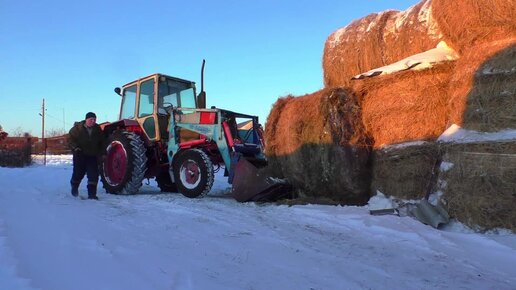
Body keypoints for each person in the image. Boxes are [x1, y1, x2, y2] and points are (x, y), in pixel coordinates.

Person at [68, 112, 104, 199]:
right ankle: (74, 186)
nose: (93, 121)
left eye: (94, 119)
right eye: (91, 119)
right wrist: (76, 148)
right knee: (78, 173)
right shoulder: (77, 129)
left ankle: (92, 195)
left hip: (93, 156)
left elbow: (102, 142)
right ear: (86, 119)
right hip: (80, 155)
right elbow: (70, 140)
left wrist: (102, 152)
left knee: (93, 175)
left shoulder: (97, 129)